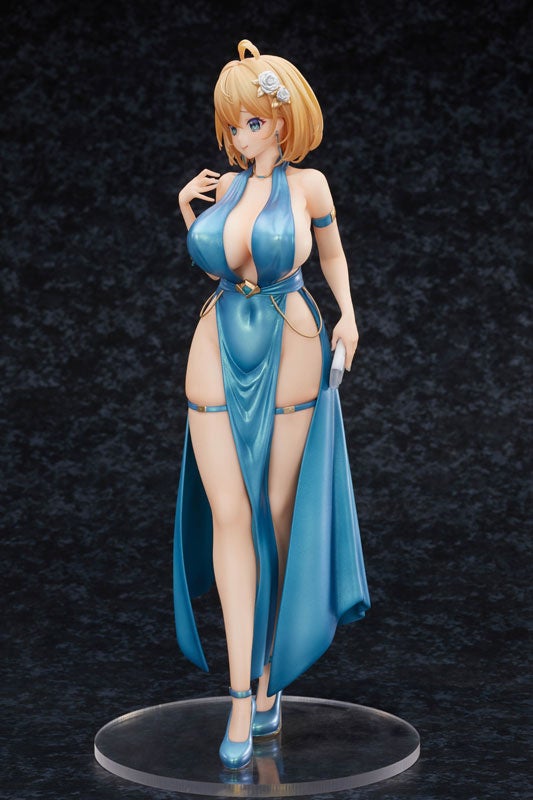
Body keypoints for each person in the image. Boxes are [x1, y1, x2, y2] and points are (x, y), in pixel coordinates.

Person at [173, 39, 370, 770]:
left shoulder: (310, 185)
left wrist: (349, 317)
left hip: (290, 338)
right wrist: (186, 211)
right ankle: (237, 695)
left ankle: (270, 677)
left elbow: (332, 255)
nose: (238, 136)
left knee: (278, 517)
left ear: (281, 122)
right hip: (217, 336)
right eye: (232, 125)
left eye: (250, 122)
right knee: (229, 514)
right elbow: (220, 260)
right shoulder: (223, 188)